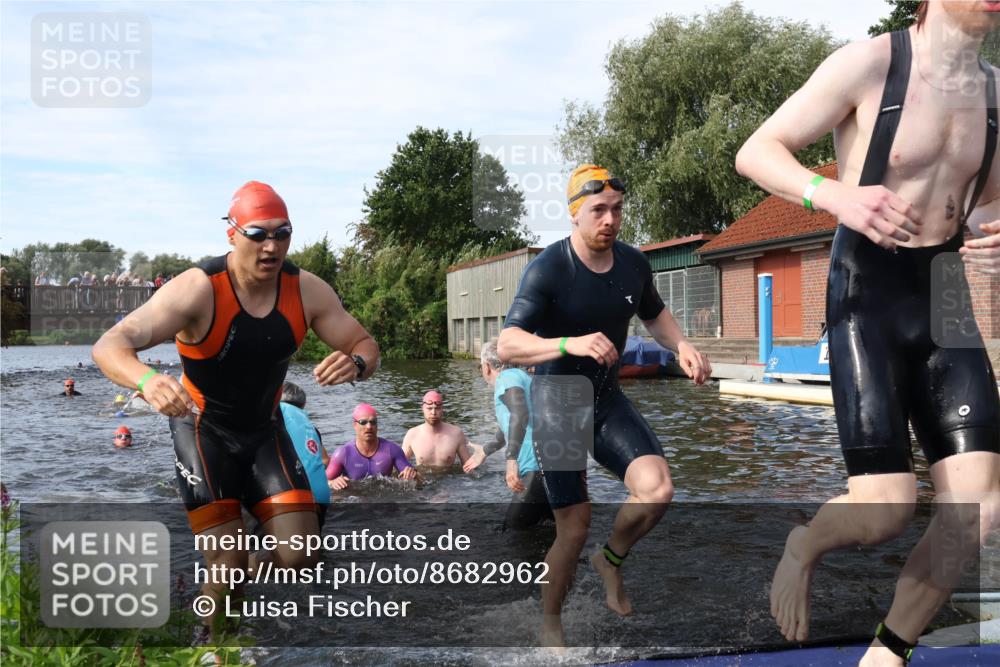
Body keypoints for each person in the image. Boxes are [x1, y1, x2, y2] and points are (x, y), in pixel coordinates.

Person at [735, 3, 1000, 664]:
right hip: (867, 289)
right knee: (885, 510)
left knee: (979, 507)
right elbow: (757, 151)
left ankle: (888, 650)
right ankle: (806, 542)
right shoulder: (872, 64)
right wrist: (832, 195)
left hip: (943, 292)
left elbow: (988, 202)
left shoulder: (996, 93)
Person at [91, 180, 380, 630]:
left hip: (266, 430)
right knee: (225, 559)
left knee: (302, 555)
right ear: (232, 234)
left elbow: (365, 342)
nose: (272, 245)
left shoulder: (306, 290)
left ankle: (219, 576)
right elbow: (110, 346)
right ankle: (213, 641)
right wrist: (148, 380)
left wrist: (357, 362)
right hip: (204, 432)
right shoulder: (198, 289)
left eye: (282, 233)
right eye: (258, 234)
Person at [497, 163, 712, 647]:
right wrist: (569, 344)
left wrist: (682, 346)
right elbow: (508, 345)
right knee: (573, 529)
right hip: (557, 403)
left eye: (616, 210)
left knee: (657, 490)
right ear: (575, 214)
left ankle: (610, 560)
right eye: (598, 210)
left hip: (606, 398)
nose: (609, 220)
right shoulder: (550, 269)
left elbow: (655, 314)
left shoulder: (634, 263)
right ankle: (551, 626)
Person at [480, 340, 553, 530]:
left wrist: (511, 459)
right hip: (556, 466)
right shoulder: (524, 377)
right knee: (551, 535)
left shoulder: (506, 378)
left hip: (537, 469)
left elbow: (520, 414)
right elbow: (511, 426)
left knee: (513, 535)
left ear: (486, 367)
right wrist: (487, 449)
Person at [326, 403, 417, 488]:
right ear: (355, 425)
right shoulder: (343, 453)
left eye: (373, 422)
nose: (369, 426)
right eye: (363, 422)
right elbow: (322, 481)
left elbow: (418, 481)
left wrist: (413, 475)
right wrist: (332, 482)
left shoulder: (392, 450)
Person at [279, 381, 330, 525]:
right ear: (303, 405)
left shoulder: (275, 415)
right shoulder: (311, 428)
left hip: (289, 496)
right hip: (321, 497)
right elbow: (325, 460)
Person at [401, 390, 483, 471]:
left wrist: (479, 455)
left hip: (448, 481)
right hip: (423, 481)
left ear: (442, 409)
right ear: (422, 409)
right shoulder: (412, 435)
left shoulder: (456, 433)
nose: (433, 412)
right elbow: (399, 465)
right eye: (429, 408)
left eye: (437, 408)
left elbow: (469, 467)